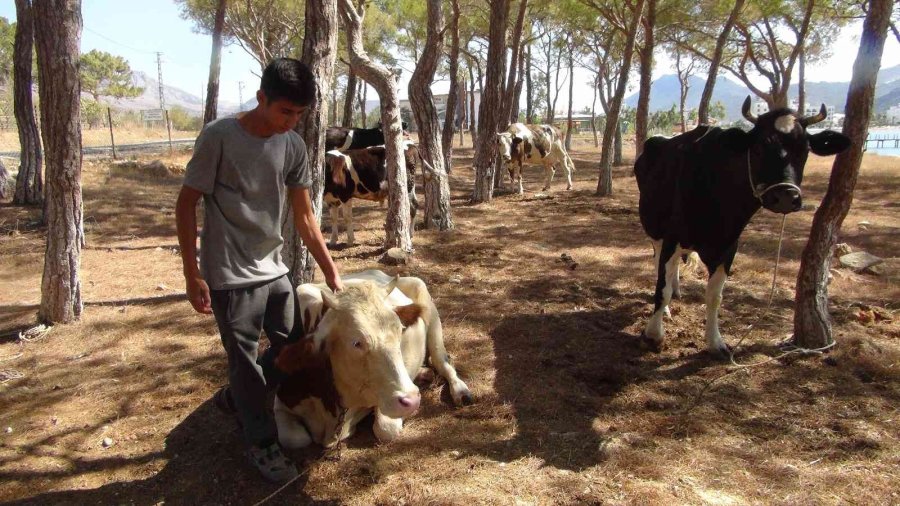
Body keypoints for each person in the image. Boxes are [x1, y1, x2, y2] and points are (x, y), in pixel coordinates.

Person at [175, 58, 342, 483]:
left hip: (275, 268)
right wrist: (192, 272)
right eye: (285, 111)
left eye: (300, 114)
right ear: (261, 98)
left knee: (293, 349)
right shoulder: (220, 138)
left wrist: (330, 271)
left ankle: (238, 397)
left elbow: (304, 218)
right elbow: (186, 202)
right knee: (245, 362)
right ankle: (262, 442)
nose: (292, 121)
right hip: (230, 275)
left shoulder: (294, 147)